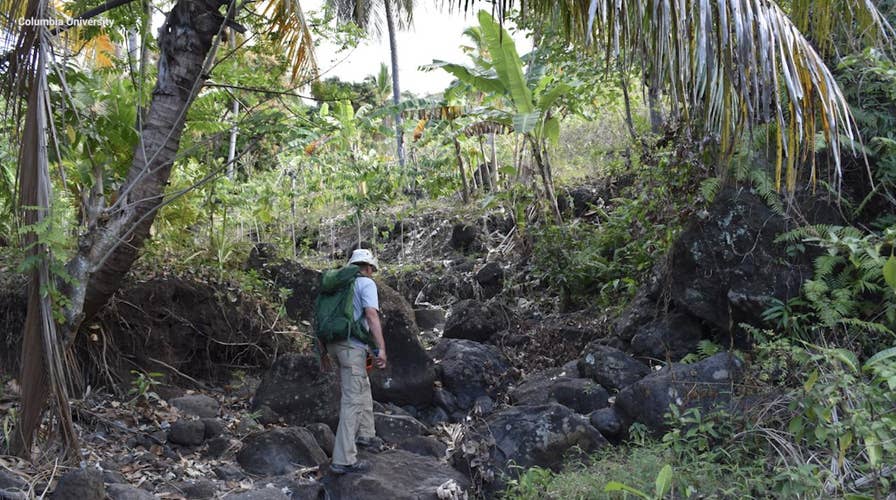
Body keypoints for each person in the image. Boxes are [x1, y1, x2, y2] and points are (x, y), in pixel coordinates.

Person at [322, 248, 388, 474]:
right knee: (352, 399)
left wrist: (322, 353)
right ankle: (344, 459)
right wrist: (380, 348)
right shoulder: (366, 284)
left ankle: (366, 435)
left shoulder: (338, 285)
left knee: (362, 386)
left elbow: (321, 316)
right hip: (352, 347)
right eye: (372, 269)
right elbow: (371, 315)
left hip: (335, 345)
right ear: (368, 267)